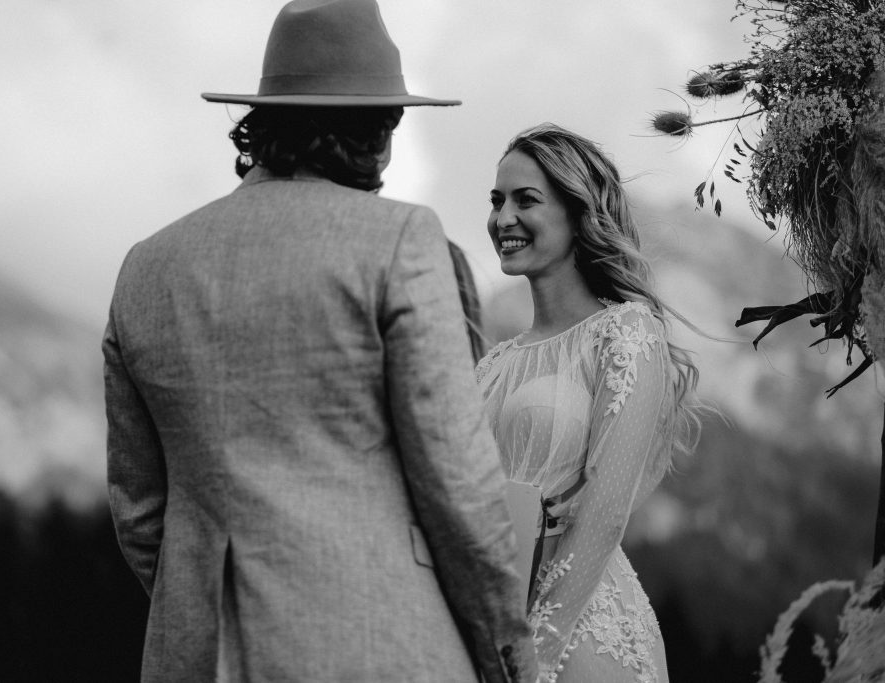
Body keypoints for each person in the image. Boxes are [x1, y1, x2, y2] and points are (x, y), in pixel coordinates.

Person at [102, 1, 539, 681]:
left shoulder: (145, 267)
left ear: (264, 120)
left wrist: (210, 614)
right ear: (377, 131)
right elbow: (459, 487)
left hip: (192, 655)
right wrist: (510, 659)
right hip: (374, 647)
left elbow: (139, 511)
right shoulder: (399, 241)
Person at [475, 123, 701, 682]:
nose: (504, 218)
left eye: (526, 200)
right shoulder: (493, 364)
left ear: (579, 213)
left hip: (580, 636)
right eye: (497, 200)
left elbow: (606, 506)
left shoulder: (625, 332)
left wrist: (541, 648)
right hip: (493, 627)